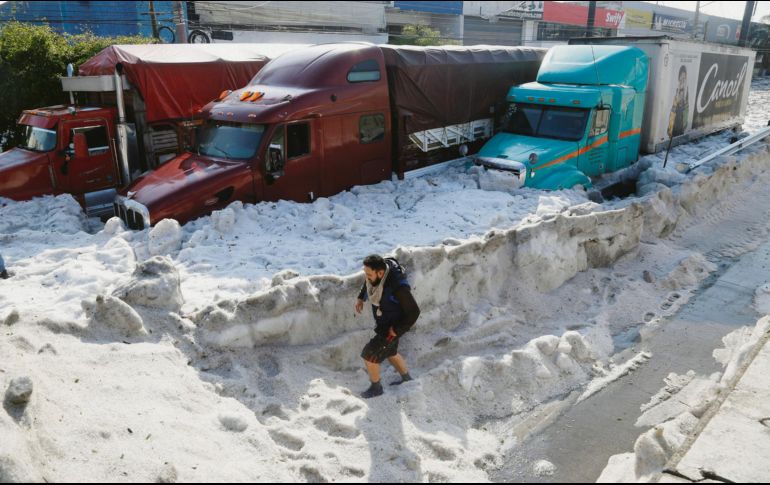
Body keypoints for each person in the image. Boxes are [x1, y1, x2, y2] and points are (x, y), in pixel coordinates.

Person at [355, 254, 420, 399]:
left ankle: (376, 388)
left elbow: (414, 312)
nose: (367, 276)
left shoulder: (398, 286)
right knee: (390, 352)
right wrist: (361, 297)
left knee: (369, 354)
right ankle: (407, 379)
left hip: (393, 327)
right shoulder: (377, 275)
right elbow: (368, 282)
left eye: (369, 274)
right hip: (384, 322)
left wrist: (396, 330)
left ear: (380, 273)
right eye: (366, 273)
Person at [668, 65, 689, 139]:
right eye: (681, 78)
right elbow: (671, 113)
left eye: (684, 78)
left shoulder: (686, 95)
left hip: (681, 128)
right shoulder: (675, 93)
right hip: (674, 128)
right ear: (678, 78)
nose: (682, 80)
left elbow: (686, 112)